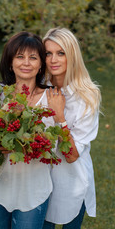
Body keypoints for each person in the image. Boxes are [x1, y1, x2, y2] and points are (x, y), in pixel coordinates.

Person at [0, 31, 56, 229]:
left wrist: (16, 145)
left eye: (33, 57)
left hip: (33, 190)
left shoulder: (52, 98)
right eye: (19, 56)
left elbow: (52, 144)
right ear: (10, 62)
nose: (26, 63)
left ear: (41, 64)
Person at [42, 28, 101, 229]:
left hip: (74, 179)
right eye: (48, 53)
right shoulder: (39, 88)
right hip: (41, 179)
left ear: (72, 55)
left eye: (61, 53)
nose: (53, 59)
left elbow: (72, 155)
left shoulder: (88, 96)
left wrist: (60, 117)